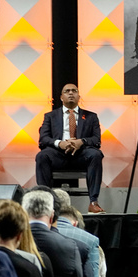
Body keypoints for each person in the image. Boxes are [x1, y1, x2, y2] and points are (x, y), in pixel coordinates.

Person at [34, 82, 105, 213]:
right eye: (67, 91)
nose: (71, 93)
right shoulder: (50, 116)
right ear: (61, 97)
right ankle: (45, 203)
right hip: (58, 154)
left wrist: (81, 142)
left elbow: (96, 139)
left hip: (81, 154)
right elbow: (43, 138)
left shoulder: (91, 116)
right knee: (42, 156)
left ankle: (93, 202)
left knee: (96, 154)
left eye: (74, 91)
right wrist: (60, 143)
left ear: (79, 96)